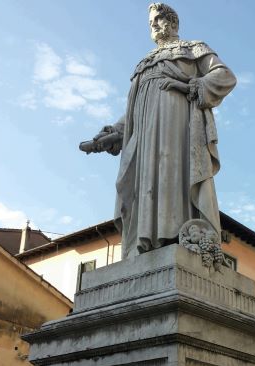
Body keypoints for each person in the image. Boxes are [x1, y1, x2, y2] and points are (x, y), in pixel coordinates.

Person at [84, 3, 236, 259]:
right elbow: (136, 109)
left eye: (157, 19)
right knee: (146, 183)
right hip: (145, 140)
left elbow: (224, 76)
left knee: (172, 173)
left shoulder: (193, 48)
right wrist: (116, 131)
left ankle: (178, 236)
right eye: (150, 22)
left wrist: (189, 86)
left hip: (178, 130)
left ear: (173, 22)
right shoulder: (144, 64)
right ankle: (147, 243)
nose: (153, 25)